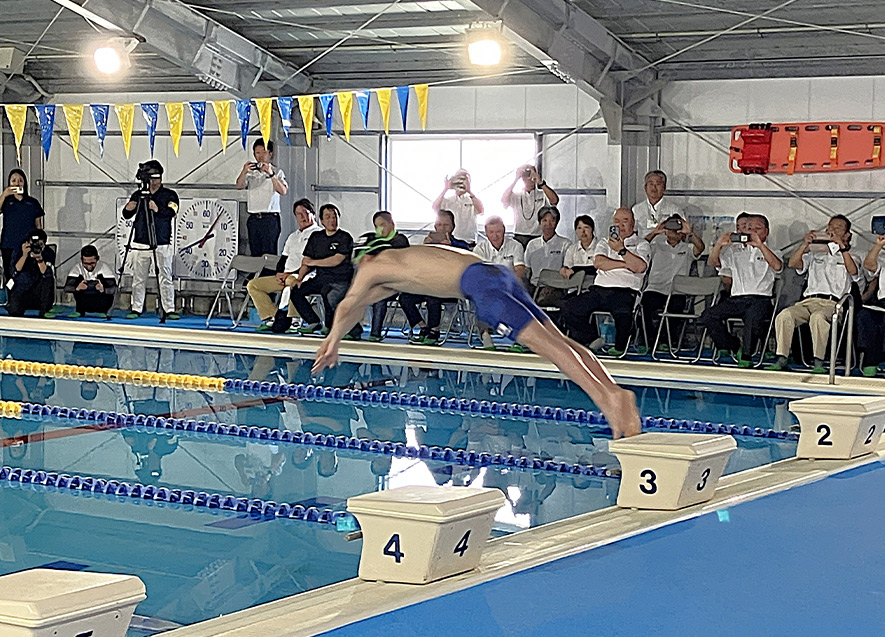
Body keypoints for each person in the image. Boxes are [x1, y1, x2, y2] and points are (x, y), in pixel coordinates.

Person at [312, 243, 641, 440]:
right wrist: (338, 335)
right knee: (560, 341)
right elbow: (359, 305)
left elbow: (348, 302)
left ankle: (608, 399)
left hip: (481, 287)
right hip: (497, 274)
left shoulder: (373, 265)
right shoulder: (400, 264)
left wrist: (332, 340)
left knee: (551, 349)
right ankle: (614, 389)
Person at [766, 215, 859, 373]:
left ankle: (818, 361)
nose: (833, 230)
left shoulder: (852, 256)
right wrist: (806, 244)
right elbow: (793, 263)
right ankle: (782, 357)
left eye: (838, 228)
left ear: (847, 234)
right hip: (808, 301)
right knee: (785, 315)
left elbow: (854, 272)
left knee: (818, 317)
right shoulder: (815, 254)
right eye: (831, 227)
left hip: (834, 304)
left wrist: (841, 247)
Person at [559, 207, 650, 355]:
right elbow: (599, 263)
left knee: (623, 312)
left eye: (625, 221)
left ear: (633, 224)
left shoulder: (642, 244)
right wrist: (626, 263)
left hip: (626, 290)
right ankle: (592, 338)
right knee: (569, 307)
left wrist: (622, 250)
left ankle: (620, 347)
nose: (620, 225)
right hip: (600, 288)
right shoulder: (604, 242)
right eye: (616, 221)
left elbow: (640, 267)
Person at [699, 213, 783, 366]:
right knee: (708, 316)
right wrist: (719, 245)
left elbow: (777, 266)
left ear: (766, 231)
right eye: (749, 228)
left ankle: (746, 356)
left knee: (753, 318)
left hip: (760, 299)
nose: (752, 231)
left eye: (758, 228)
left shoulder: (773, 251)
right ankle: (731, 344)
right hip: (737, 298)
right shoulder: (734, 250)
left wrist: (759, 245)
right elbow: (713, 263)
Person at [246, 198, 321, 331]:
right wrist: (279, 273)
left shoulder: (319, 234)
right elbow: (283, 259)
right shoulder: (292, 236)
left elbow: (312, 262)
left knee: (293, 283)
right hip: (285, 276)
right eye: (299, 214)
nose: (302, 216)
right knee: (253, 285)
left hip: (304, 275)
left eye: (305, 212)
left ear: (313, 214)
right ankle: (272, 317)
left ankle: (295, 319)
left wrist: (290, 274)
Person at [286, 203, 360, 338]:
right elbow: (306, 260)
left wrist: (314, 262)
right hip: (320, 278)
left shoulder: (344, 237)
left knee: (331, 297)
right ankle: (313, 322)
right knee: (297, 291)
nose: (332, 220)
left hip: (340, 279)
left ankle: (354, 329)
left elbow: (336, 260)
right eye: (328, 217)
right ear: (322, 220)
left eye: (334, 217)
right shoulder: (316, 237)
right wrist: (299, 278)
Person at [398, 210, 470, 345]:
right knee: (405, 298)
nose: (441, 228)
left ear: (452, 227)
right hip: (427, 285)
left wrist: (451, 248)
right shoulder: (428, 244)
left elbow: (466, 260)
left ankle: (435, 330)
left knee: (433, 294)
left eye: (446, 225)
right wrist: (425, 248)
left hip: (451, 287)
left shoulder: (460, 245)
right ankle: (423, 326)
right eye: (439, 224)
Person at [122, 159, 179, 320]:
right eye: (150, 178)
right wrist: (128, 208)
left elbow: (172, 211)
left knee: (165, 276)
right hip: (141, 241)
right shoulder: (138, 194)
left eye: (156, 178)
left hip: (161, 241)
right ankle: (136, 307)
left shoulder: (169, 194)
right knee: (139, 277)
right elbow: (127, 214)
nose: (153, 181)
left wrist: (157, 208)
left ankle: (169, 308)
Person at [642, 214, 705, 343]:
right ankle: (648, 340)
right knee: (646, 306)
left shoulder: (687, 248)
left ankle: (668, 341)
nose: (674, 230)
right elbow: (640, 247)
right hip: (656, 288)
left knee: (676, 308)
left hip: (677, 291)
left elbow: (700, 248)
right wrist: (655, 232)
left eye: (678, 227)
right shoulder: (656, 246)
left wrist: (690, 232)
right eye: (670, 227)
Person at [473, 215, 526, 349]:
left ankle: (518, 338)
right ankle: (485, 335)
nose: (495, 236)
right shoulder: (479, 249)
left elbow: (519, 269)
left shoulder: (515, 246)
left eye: (498, 232)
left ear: (503, 230)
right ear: (486, 232)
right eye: (491, 232)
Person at [361, 211, 410, 342]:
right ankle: (353, 329)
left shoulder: (400, 240)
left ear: (392, 224)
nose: (380, 229)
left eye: (383, 225)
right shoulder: (375, 242)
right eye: (377, 227)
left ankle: (375, 332)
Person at [236, 138, 289, 256]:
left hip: (269, 218)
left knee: (269, 252)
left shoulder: (277, 172)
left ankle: (268, 274)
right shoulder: (250, 173)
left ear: (270, 154)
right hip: (253, 218)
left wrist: (271, 174)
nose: (260, 156)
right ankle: (256, 274)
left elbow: (283, 191)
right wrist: (244, 172)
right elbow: (239, 186)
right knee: (255, 251)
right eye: (257, 152)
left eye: (263, 152)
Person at [0, 169, 44, 281]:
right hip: (9, 244)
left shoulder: (32, 203)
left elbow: (39, 226)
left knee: (28, 274)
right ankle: (11, 297)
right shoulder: (6, 202)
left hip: (27, 244)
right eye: (13, 180)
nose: (17, 183)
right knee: (10, 275)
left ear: (24, 183)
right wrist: (4, 194)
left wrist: (38, 243)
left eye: (20, 180)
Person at [502, 164, 559, 248]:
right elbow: (504, 200)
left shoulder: (542, 194)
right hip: (519, 235)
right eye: (525, 176)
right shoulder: (516, 195)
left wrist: (540, 181)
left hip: (537, 235)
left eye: (530, 176)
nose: (529, 179)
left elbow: (554, 201)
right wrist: (516, 179)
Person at [524, 206, 571, 305]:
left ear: (557, 222)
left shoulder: (565, 244)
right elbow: (527, 270)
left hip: (556, 287)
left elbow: (567, 269)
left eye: (552, 220)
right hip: (534, 286)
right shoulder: (532, 244)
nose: (548, 224)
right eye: (544, 220)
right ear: (540, 222)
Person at [854, 233, 885, 376]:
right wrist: (878, 245)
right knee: (865, 316)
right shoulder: (883, 260)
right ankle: (870, 362)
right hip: (881, 304)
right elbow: (869, 265)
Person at [7, 228, 55, 317]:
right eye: (33, 243)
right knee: (14, 311)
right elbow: (14, 271)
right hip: (22, 289)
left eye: (40, 244)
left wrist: (39, 259)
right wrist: (24, 255)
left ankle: (45, 310)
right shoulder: (19, 251)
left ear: (44, 244)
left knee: (48, 280)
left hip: (39, 291)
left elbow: (46, 273)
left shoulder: (48, 253)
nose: (36, 246)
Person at [431, 169, 484, 246]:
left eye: (464, 179)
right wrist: (445, 189)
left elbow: (481, 210)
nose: (461, 182)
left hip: (469, 242)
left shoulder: (472, 200)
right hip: (450, 242)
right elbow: (435, 207)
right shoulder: (448, 200)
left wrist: (469, 191)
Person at [62, 244, 117, 318]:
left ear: (97, 259)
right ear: (82, 260)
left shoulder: (104, 268)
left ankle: (103, 312)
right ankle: (80, 311)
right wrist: (77, 288)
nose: (89, 266)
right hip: (83, 302)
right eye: (86, 264)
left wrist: (103, 289)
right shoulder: (77, 268)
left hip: (101, 302)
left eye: (92, 263)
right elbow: (66, 288)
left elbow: (114, 289)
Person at [560, 215, 597, 279]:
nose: (583, 231)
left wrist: (575, 269)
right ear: (576, 231)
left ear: (592, 229)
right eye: (579, 228)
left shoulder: (601, 247)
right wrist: (564, 270)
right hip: (574, 287)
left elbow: (599, 268)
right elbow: (568, 268)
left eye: (586, 227)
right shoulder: (571, 249)